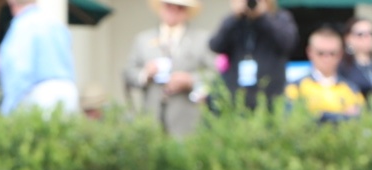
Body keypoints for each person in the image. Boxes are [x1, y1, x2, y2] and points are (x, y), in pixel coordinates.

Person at [123, 0, 212, 135]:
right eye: (169, 6)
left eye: (179, 7)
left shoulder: (202, 39)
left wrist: (190, 80)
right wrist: (145, 74)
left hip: (187, 122)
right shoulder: (143, 39)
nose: (173, 10)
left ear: (187, 11)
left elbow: (216, 73)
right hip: (152, 120)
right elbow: (128, 72)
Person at [207, 0, 294, 110]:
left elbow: (287, 43)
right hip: (237, 96)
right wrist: (234, 17)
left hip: (270, 95)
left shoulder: (279, 18)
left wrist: (263, 17)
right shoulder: (236, 22)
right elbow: (215, 45)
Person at [0, 0, 77, 113]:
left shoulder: (22, 24)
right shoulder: (55, 22)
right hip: (68, 90)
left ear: (13, 4)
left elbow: (19, 68)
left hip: (41, 93)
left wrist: (8, 107)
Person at [286, 26, 359, 120]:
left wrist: (320, 114)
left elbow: (360, 118)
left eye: (332, 53)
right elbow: (292, 117)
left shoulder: (351, 88)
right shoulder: (295, 87)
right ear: (310, 52)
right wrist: (343, 116)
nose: (326, 58)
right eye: (321, 53)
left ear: (340, 54)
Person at [341, 16, 372, 102]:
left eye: (371, 34)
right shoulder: (343, 66)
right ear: (348, 38)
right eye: (360, 34)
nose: (367, 38)